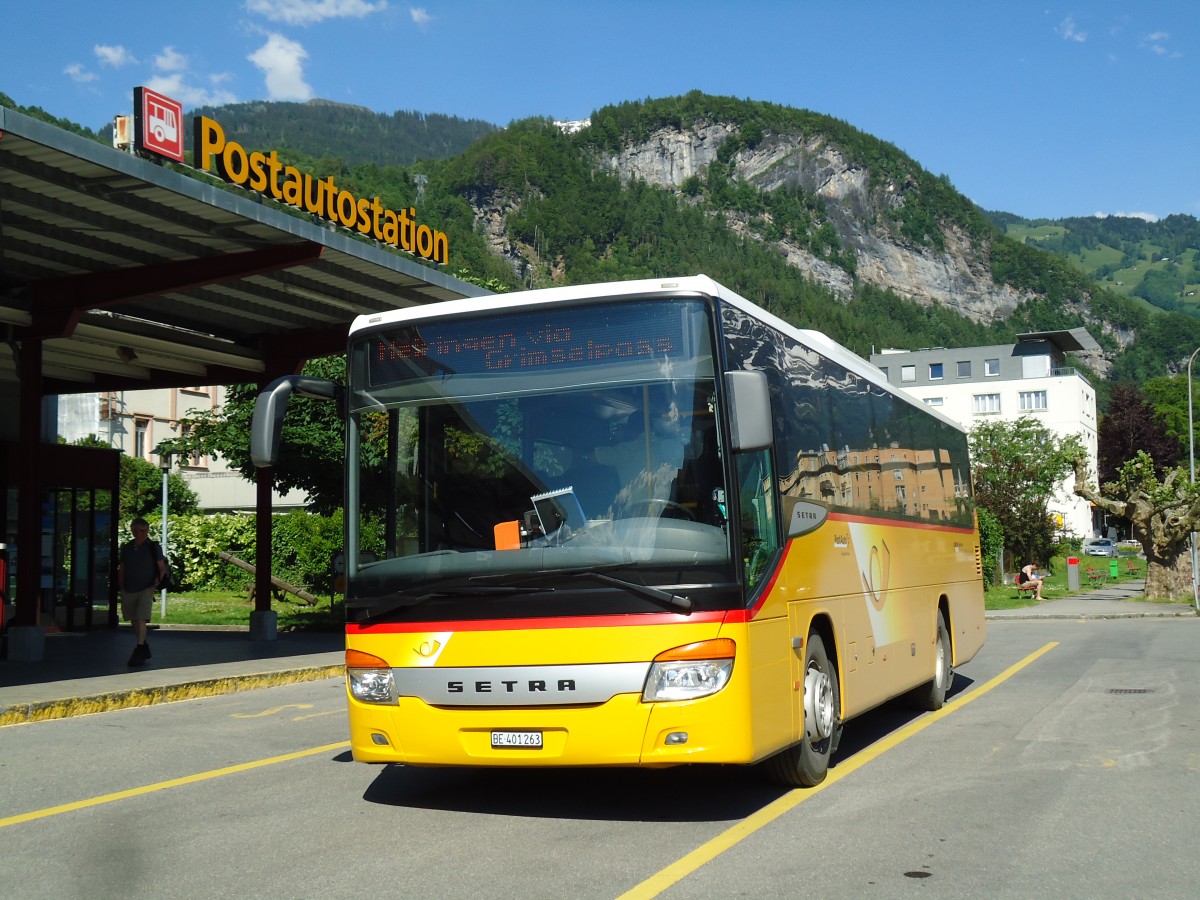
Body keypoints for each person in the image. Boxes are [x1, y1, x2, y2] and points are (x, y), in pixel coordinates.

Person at [118, 517, 166, 667]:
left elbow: (162, 568)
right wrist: (121, 586)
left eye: (143, 530)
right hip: (129, 588)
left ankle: (139, 648)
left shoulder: (153, 547)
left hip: (146, 588)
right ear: (132, 531)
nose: (140, 534)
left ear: (148, 531)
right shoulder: (127, 548)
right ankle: (143, 645)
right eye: (137, 531)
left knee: (141, 618)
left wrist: (154, 585)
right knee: (133, 619)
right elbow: (122, 568)